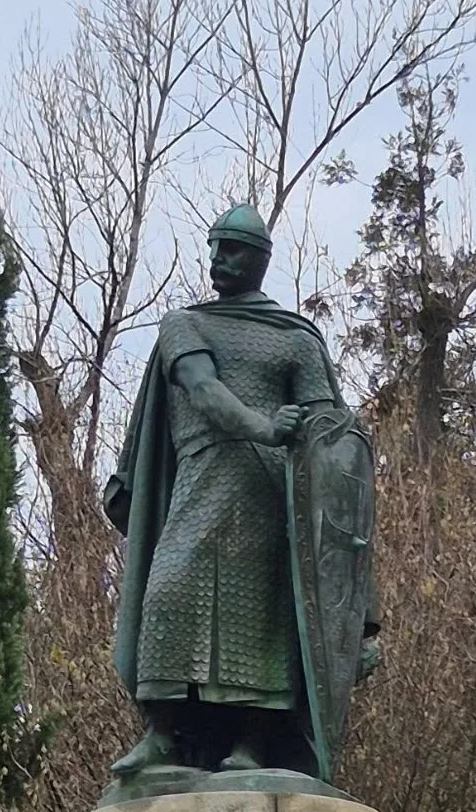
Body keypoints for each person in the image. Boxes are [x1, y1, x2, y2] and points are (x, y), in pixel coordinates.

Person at [103, 204, 341, 776]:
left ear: (260, 259)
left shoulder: (297, 340)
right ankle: (163, 733)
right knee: (169, 593)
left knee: (263, 617)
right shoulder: (184, 325)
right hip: (201, 481)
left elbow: (331, 440)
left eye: (231, 249)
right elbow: (204, 390)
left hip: (270, 495)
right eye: (214, 247)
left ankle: (254, 744)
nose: (218, 260)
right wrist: (265, 425)